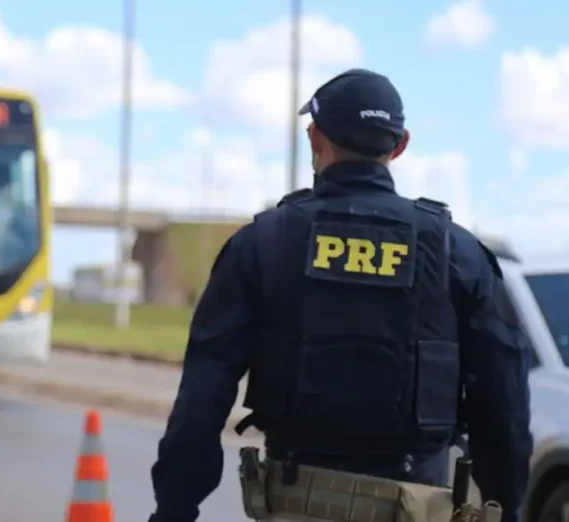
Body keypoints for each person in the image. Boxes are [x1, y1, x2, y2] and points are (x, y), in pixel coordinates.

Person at [148, 69, 532, 522]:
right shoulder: (458, 252)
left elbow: (201, 400)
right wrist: (506, 507)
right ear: (400, 145)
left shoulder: (262, 244)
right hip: (418, 504)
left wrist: (173, 510)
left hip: (295, 501)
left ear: (315, 138)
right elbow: (504, 408)